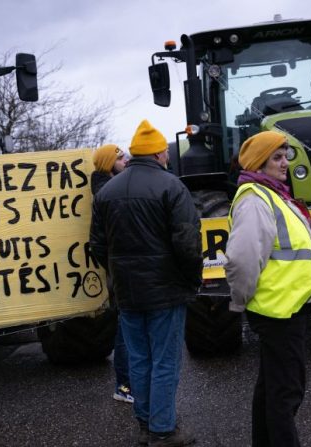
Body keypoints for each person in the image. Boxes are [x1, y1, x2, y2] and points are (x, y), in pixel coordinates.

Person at [90, 120, 202, 447]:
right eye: (165, 151)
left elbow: (96, 245)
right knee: (165, 360)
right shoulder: (171, 186)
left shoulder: (107, 191)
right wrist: (191, 279)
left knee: (139, 360)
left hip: (126, 293)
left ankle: (146, 424)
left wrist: (116, 274)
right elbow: (187, 243)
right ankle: (164, 430)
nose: (167, 156)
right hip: (165, 290)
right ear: (157, 153)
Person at [224, 131, 311, 447]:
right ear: (260, 162)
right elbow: (243, 261)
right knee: (286, 392)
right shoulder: (255, 200)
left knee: (271, 388)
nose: (285, 162)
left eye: (286, 155)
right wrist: (240, 300)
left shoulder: (271, 195)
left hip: (285, 308)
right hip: (280, 312)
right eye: (277, 157)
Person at [90, 143, 132, 404]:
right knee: (125, 328)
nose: (126, 160)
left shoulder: (107, 188)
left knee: (127, 326)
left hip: (118, 267)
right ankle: (124, 386)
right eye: (120, 157)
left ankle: (127, 384)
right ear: (108, 162)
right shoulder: (107, 192)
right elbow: (99, 241)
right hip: (119, 269)